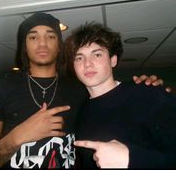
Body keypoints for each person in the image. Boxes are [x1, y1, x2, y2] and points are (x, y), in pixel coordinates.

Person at [0, 12, 167, 168]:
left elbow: (113, 97)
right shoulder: (0, 90)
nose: (42, 43)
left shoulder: (81, 89)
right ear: (24, 46)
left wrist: (149, 89)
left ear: (59, 46)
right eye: (33, 37)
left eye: (50, 36)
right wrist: (19, 136)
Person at [63, 22, 176, 168]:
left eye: (97, 54)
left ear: (113, 60)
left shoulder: (149, 95)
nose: (87, 64)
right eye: (79, 58)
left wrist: (131, 159)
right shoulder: (80, 110)